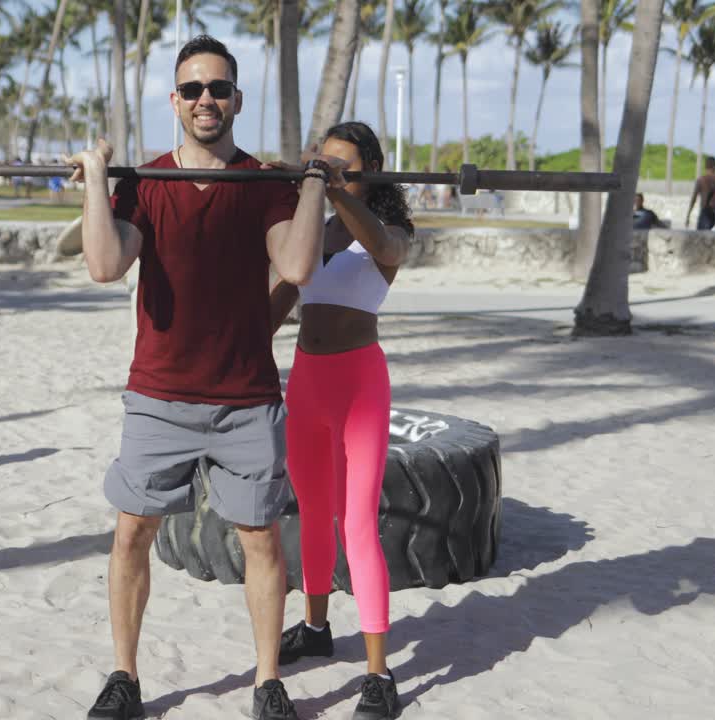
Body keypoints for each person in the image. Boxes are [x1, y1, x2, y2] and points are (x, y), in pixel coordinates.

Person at [68, 35, 328, 720]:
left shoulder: (264, 184)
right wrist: (98, 178)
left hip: (246, 399)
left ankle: (268, 682)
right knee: (131, 534)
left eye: (218, 88)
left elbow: (298, 268)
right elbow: (103, 265)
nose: (206, 99)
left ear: (236, 99)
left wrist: (311, 188)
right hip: (159, 395)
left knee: (261, 541)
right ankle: (125, 677)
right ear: (175, 102)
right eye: (193, 89)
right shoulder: (147, 182)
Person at [263, 121, 412, 720]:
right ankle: (316, 627)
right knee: (313, 511)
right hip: (306, 383)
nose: (329, 172)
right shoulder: (315, 233)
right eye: (323, 162)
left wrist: (336, 188)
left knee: (357, 524)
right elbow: (276, 307)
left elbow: (386, 250)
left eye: (343, 166)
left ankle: (379, 675)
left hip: (359, 387)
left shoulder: (386, 230)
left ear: (367, 172)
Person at [685, 155, 715, 230]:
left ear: (705, 166)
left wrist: (688, 216)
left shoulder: (701, 180)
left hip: (704, 214)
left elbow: (693, 199)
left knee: (701, 239)